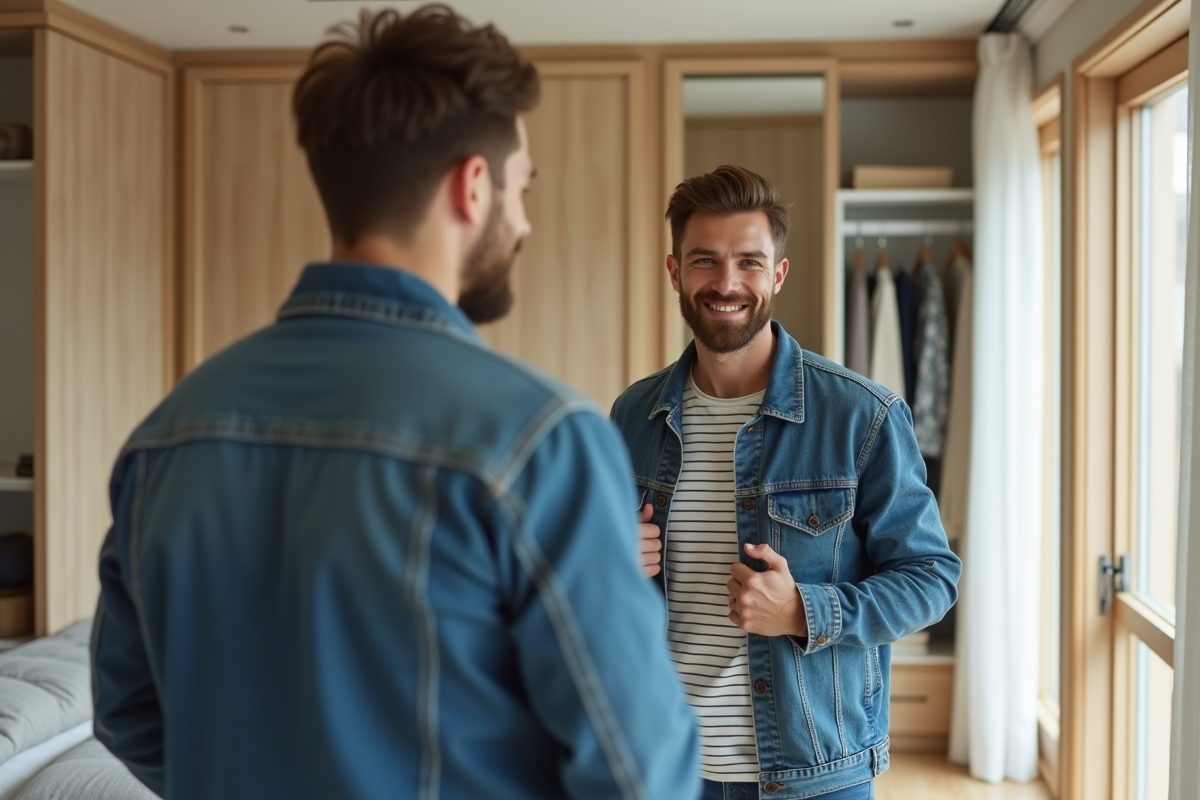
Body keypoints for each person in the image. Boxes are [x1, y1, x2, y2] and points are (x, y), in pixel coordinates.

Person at [90, 7, 700, 800]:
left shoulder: (165, 437)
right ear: (472, 186)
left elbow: (128, 714)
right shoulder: (541, 441)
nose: (524, 220)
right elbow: (638, 775)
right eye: (521, 187)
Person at [611, 165, 962, 800]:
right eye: (704, 260)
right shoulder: (634, 415)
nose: (726, 283)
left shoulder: (861, 416)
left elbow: (932, 579)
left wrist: (804, 611)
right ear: (674, 271)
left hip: (813, 779)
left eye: (749, 262)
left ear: (778, 274)